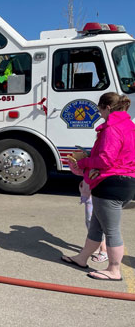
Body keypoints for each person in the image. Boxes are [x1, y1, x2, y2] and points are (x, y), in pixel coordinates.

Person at [62, 92, 135, 281]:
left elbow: (105, 159)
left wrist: (85, 162)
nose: (99, 114)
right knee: (96, 226)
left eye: (100, 110)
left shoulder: (111, 128)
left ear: (107, 108)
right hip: (126, 181)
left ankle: (114, 269)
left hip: (110, 183)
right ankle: (82, 257)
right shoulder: (129, 125)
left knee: (111, 230)